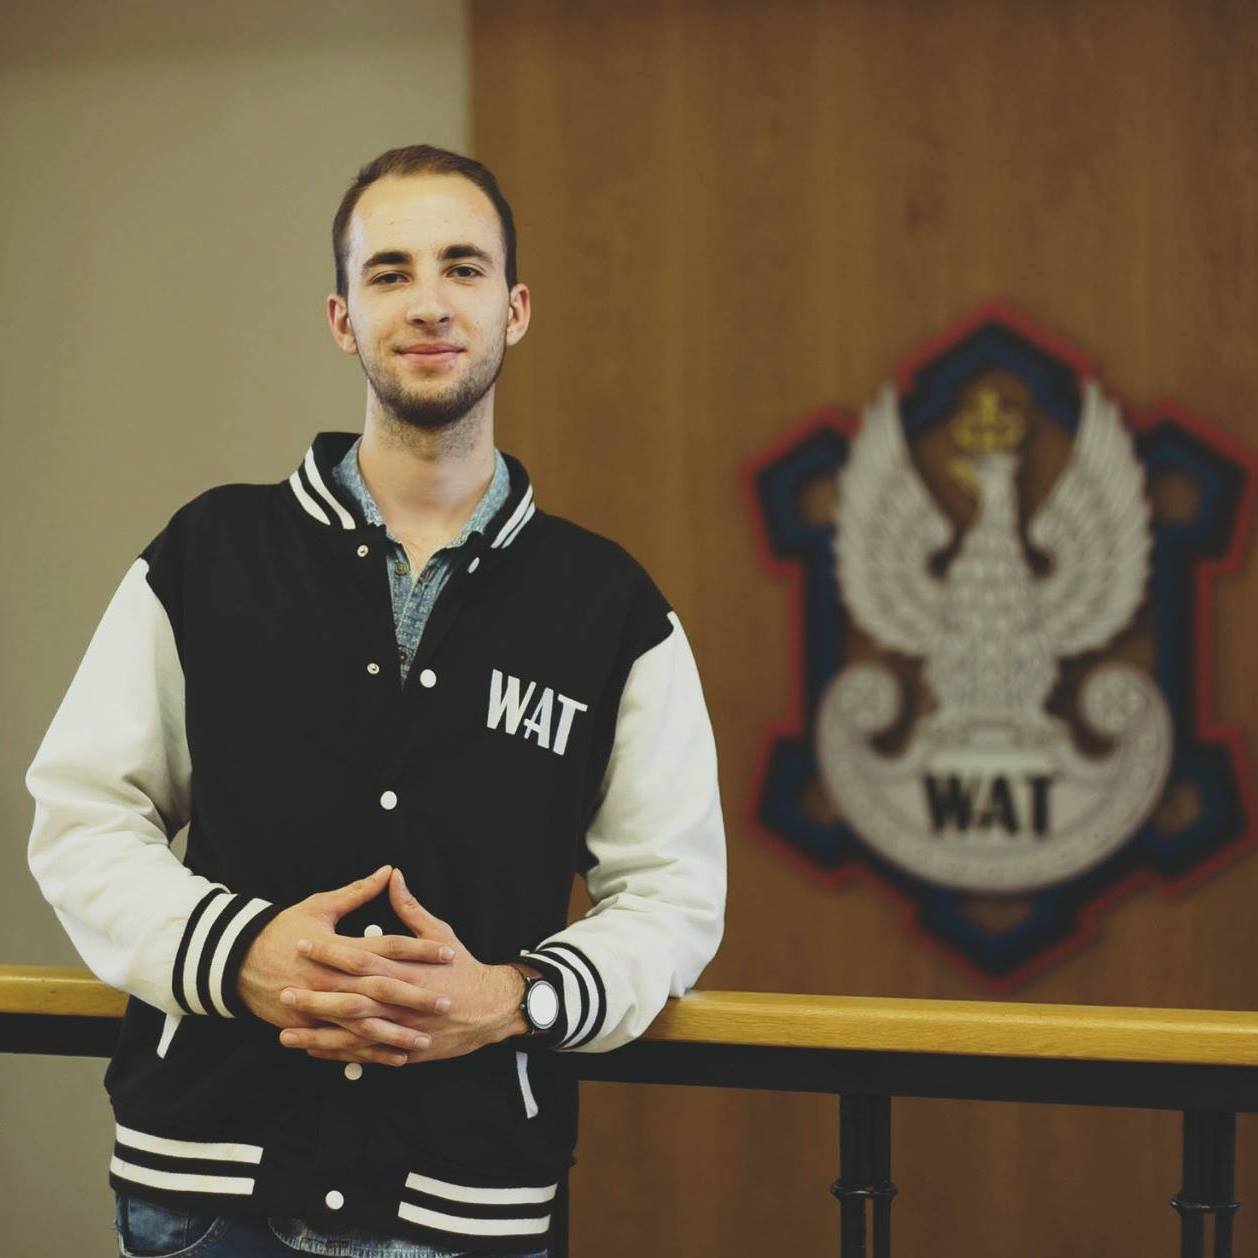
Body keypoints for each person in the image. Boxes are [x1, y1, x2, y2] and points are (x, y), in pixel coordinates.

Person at [26, 144, 727, 1258]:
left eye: (463, 267)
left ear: (514, 309)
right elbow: (82, 817)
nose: (430, 301)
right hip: (206, 1192)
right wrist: (237, 953)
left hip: (471, 1200)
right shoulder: (210, 553)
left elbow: (675, 894)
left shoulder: (608, 606)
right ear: (343, 318)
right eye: (390, 272)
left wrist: (518, 997)